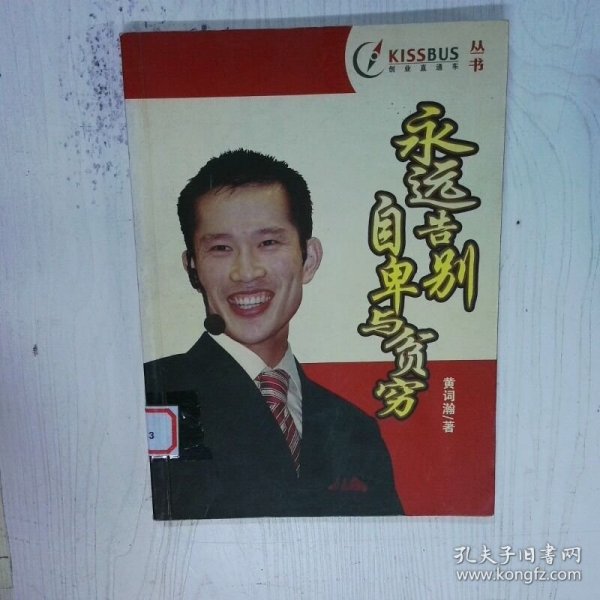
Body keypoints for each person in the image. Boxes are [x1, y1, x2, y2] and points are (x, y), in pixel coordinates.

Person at [144, 148, 402, 519]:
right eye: (221, 248)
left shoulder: (353, 427)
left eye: (268, 243)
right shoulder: (157, 393)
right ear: (193, 268)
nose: (246, 272)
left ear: (309, 259)